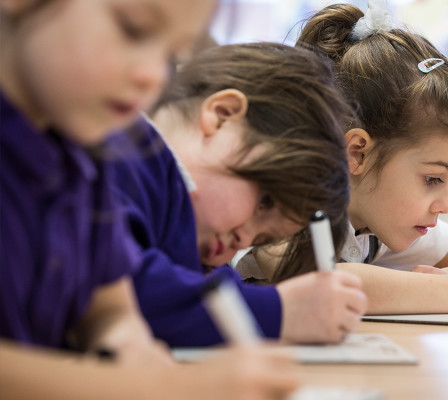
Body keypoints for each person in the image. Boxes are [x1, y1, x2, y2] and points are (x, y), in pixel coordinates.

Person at [0, 1, 297, 399]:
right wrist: (169, 386)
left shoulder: (85, 154)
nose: (153, 76)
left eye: (171, 54)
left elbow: (110, 310)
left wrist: (129, 346)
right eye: (133, 29)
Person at [239, 1, 448, 315]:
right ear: (357, 153)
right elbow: (321, 281)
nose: (446, 205)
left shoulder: (376, 220)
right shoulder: (286, 205)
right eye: (433, 179)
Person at [111, 42, 367, 346]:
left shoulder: (177, 214)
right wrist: (279, 310)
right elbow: (128, 291)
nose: (244, 241)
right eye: (264, 201)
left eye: (261, 239)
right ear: (222, 116)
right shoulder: (127, 156)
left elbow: (197, 285)